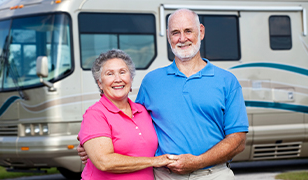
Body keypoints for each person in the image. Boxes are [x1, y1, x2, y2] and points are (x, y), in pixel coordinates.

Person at [78, 9, 249, 180]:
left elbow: (238, 140)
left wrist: (198, 162)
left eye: (188, 31)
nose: (182, 38)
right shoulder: (152, 81)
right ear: (168, 36)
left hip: (214, 174)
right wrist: (92, 146)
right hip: (165, 176)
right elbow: (130, 123)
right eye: (175, 32)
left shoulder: (227, 81)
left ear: (201, 31)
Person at [78, 49, 175, 180]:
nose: (118, 79)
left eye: (122, 72)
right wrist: (154, 161)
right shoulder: (95, 114)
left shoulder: (143, 111)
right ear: (100, 83)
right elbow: (104, 161)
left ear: (131, 79)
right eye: (110, 74)